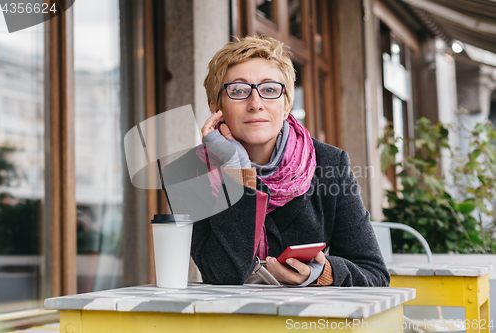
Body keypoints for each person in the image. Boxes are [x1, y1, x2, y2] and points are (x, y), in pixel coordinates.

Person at [163, 35, 390, 287]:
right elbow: (224, 274)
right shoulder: (186, 175)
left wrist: (321, 273)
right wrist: (237, 169)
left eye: (270, 90)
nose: (255, 104)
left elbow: (374, 274)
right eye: (238, 91)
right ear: (216, 106)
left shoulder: (330, 164)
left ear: (287, 105)